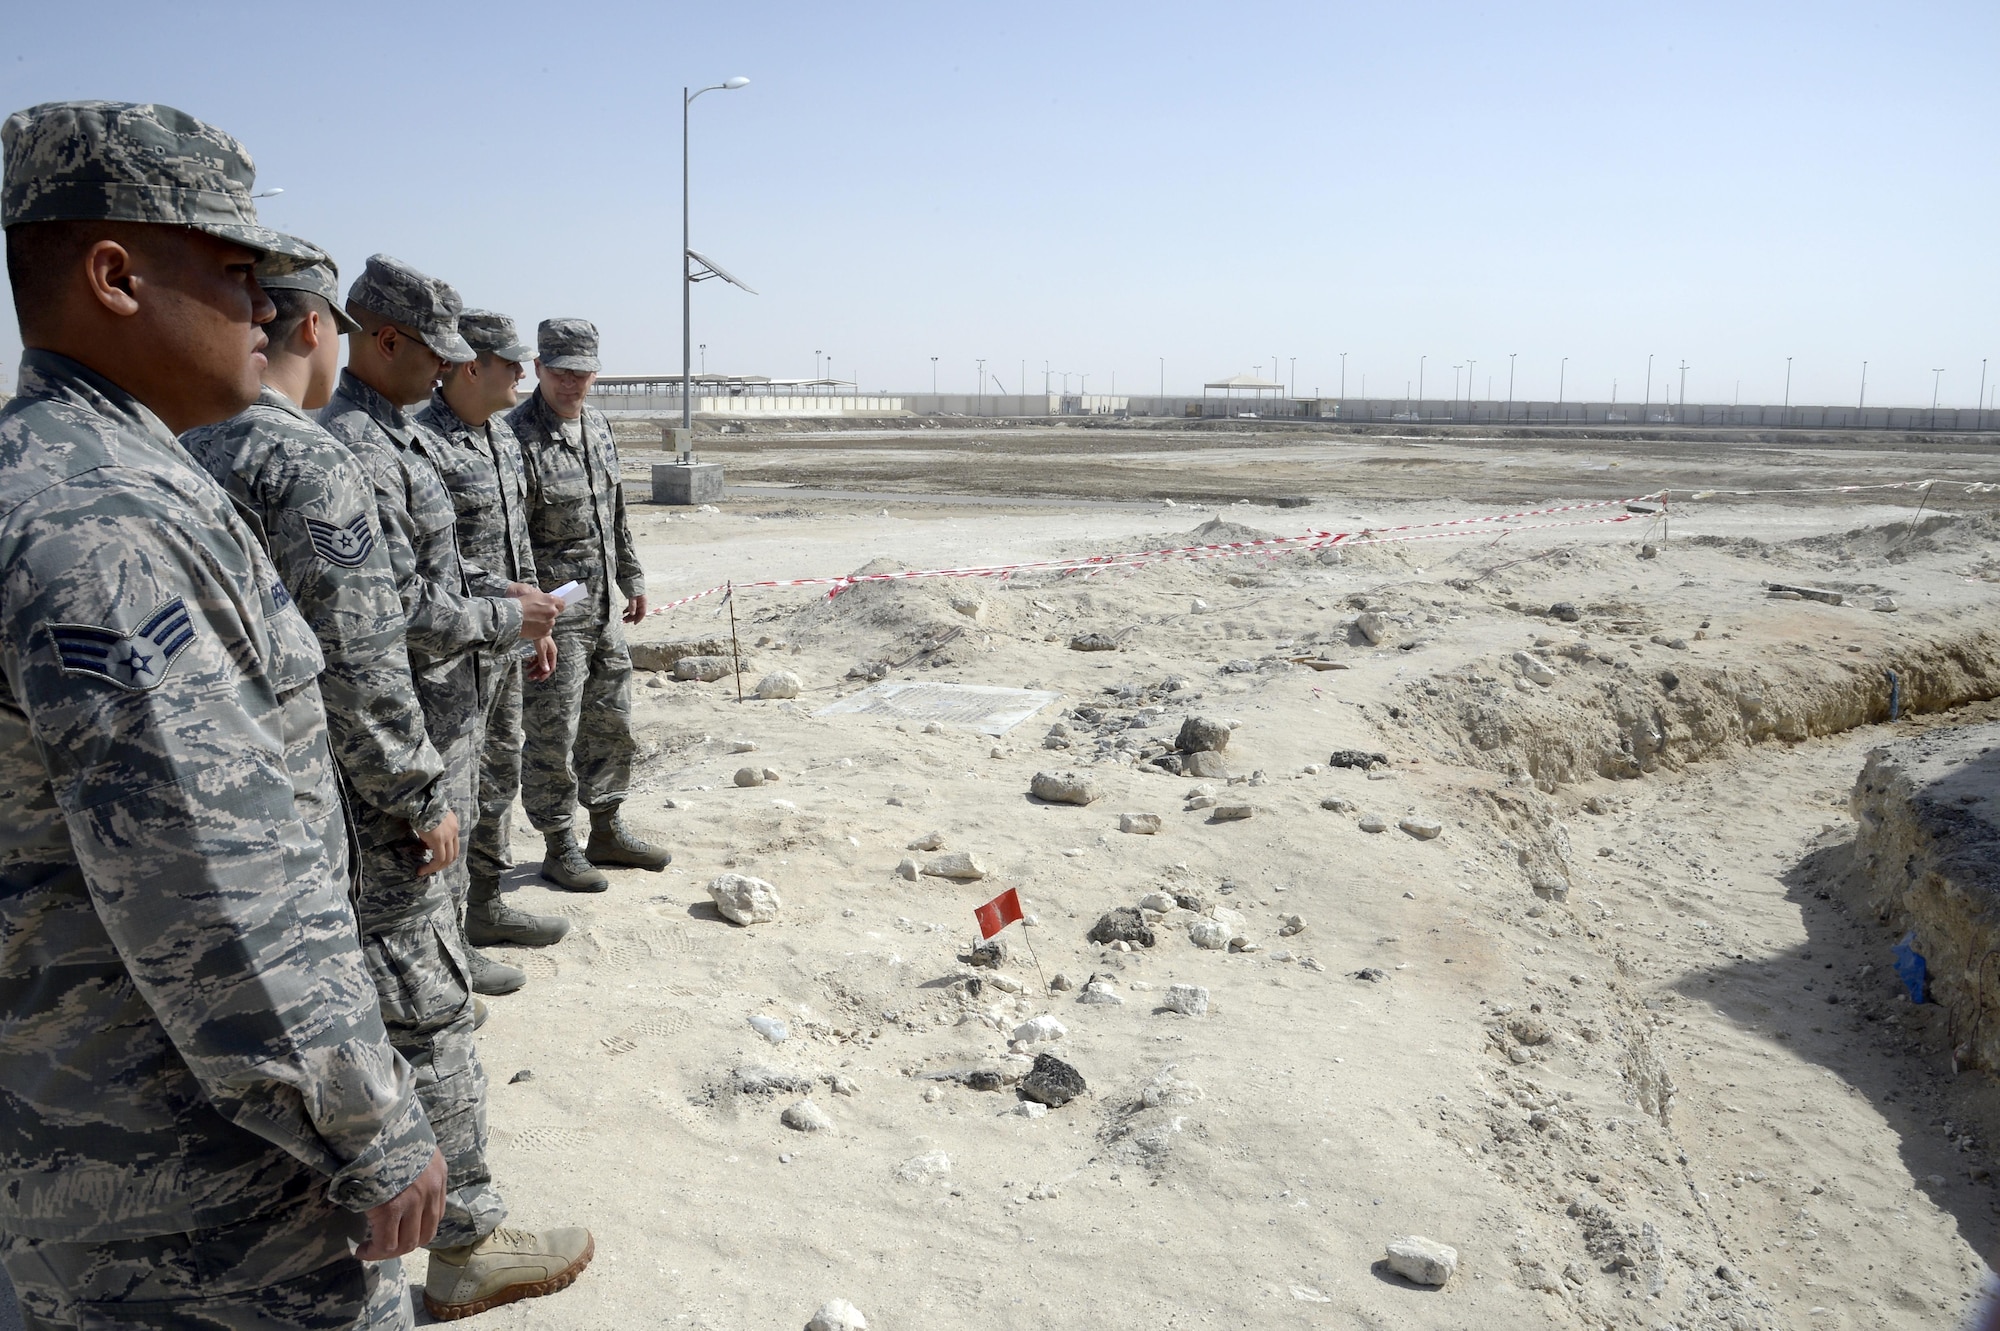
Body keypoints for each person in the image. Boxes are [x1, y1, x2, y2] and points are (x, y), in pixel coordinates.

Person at [0, 99, 442, 1329]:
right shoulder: (106, 524)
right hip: (191, 1185)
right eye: (238, 272)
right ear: (113, 276)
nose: (268, 309)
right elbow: (216, 883)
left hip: (104, 1143)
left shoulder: (87, 474)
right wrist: (372, 1121)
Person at [318, 258, 589, 1319]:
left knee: (406, 989)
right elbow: (371, 630)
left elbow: (429, 581)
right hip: (399, 758)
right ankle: (464, 1233)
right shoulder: (347, 452)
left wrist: (501, 601)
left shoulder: (387, 438)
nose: (453, 375)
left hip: (430, 733)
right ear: (380, 340)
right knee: (426, 1002)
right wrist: (414, 784)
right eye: (441, 355)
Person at [416, 311, 569, 959]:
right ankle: (443, 934)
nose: (520, 373)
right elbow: (435, 563)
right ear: (471, 365)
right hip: (451, 652)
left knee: (497, 772)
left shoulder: (502, 441)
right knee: (449, 789)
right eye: (509, 363)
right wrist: (510, 601)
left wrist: (536, 621)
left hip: (507, 640)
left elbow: (517, 543)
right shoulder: (425, 445)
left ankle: (484, 905)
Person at [508, 318, 670, 890]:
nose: (573, 384)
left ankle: (606, 826)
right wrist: (533, 621)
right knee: (553, 732)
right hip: (553, 617)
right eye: (561, 372)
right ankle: (558, 843)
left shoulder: (598, 427)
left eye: (583, 373)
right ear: (538, 370)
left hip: (601, 611)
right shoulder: (515, 438)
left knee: (610, 721)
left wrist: (633, 576)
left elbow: (614, 511)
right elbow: (511, 539)